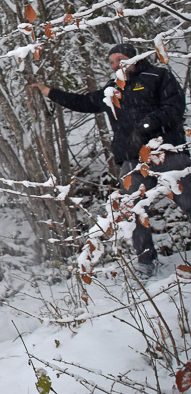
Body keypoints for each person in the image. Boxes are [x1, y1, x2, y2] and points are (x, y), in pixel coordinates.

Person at [32, 43, 191, 278]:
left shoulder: (157, 77)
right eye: (112, 62)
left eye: (120, 59)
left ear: (135, 58)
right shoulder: (113, 89)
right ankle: (146, 264)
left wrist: (144, 127)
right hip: (132, 161)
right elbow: (84, 102)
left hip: (167, 152)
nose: (116, 65)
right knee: (134, 213)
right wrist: (49, 91)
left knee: (189, 201)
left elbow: (174, 108)